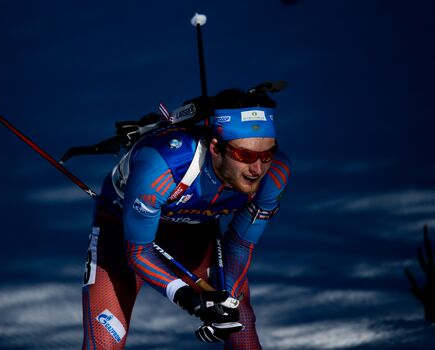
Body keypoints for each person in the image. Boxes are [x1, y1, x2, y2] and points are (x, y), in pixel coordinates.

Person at [81, 88, 291, 349]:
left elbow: (240, 244)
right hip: (122, 235)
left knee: (241, 324)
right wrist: (189, 299)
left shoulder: (275, 175)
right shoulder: (163, 166)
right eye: (244, 156)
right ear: (216, 148)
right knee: (103, 342)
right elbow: (138, 253)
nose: (257, 169)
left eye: (266, 155)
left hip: (194, 236)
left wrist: (226, 297)